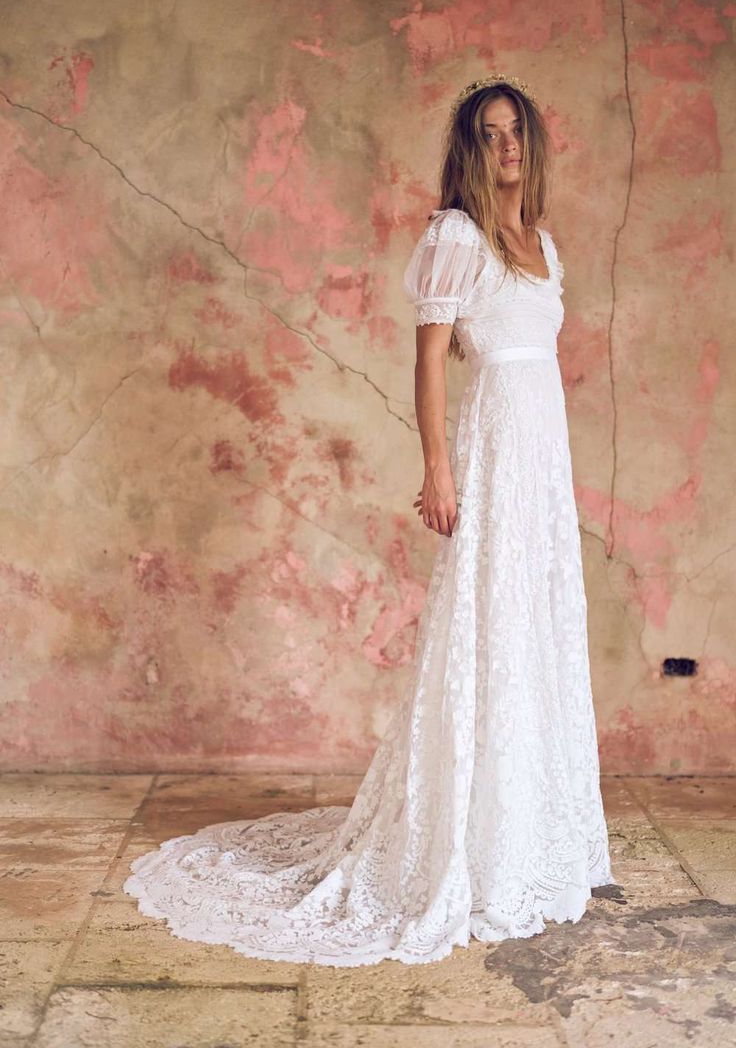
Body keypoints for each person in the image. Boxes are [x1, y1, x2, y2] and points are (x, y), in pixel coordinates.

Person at [123, 72, 617, 967]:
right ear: (471, 149)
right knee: (486, 626)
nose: (506, 147)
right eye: (490, 134)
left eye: (517, 133)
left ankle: (533, 836)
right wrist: (438, 466)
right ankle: (466, 843)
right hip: (492, 454)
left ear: (531, 146)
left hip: (544, 463)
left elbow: (538, 366)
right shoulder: (457, 238)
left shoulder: (543, 245)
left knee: (536, 627)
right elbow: (432, 364)